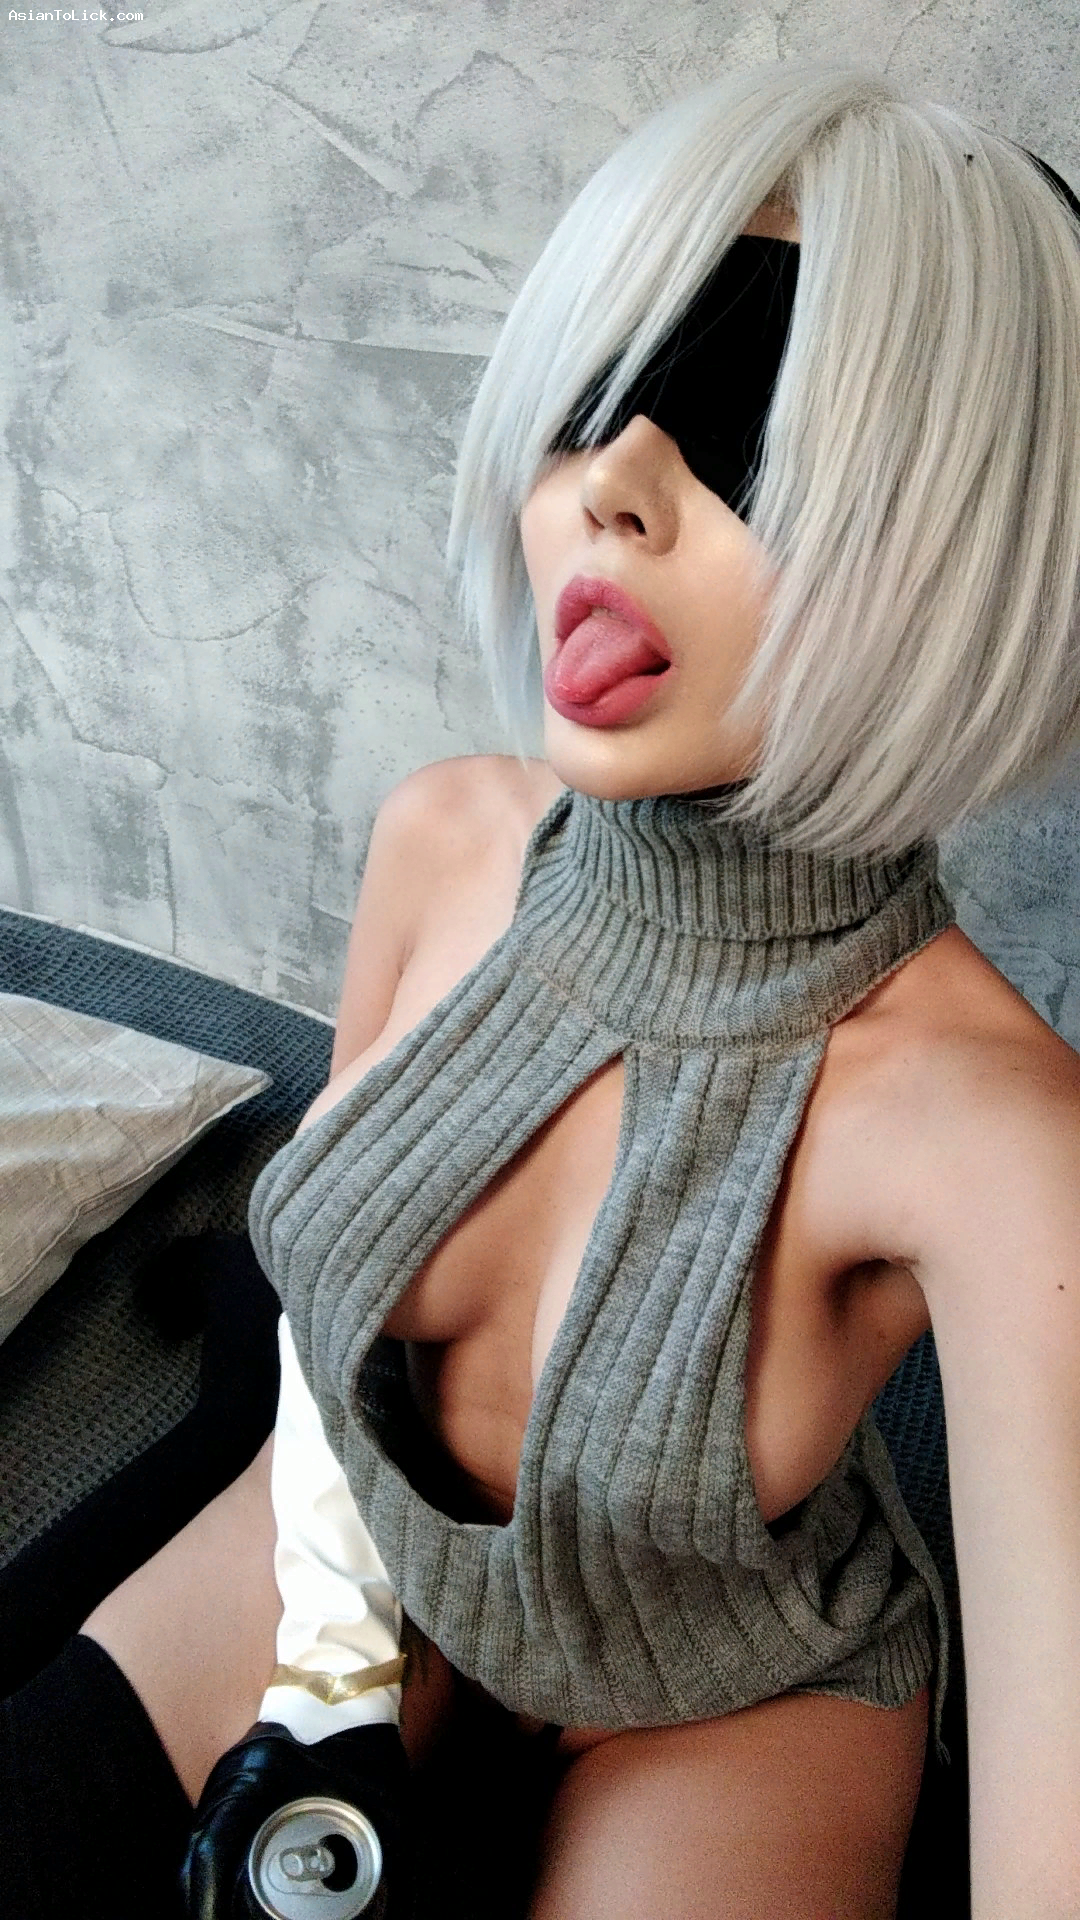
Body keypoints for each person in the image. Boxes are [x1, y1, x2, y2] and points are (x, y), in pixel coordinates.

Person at [4, 58, 1080, 1920]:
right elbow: (323, 1329)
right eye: (597, 396)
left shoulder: (996, 1129)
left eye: (753, 426)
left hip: (730, 1691)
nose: (617, 489)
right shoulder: (441, 836)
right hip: (370, 1549)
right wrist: (326, 1655)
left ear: (964, 546)